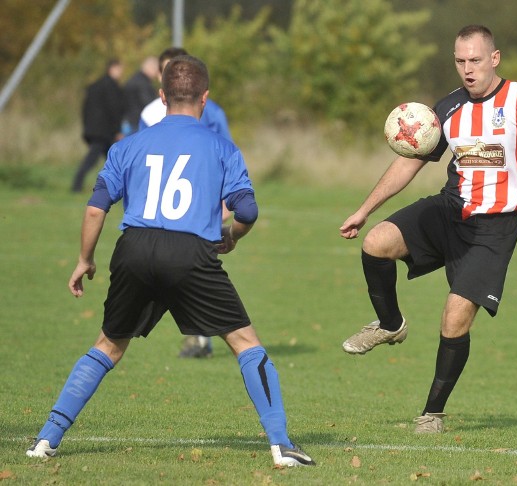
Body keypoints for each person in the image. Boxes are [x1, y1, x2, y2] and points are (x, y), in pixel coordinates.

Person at [26, 55, 315, 467]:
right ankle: (282, 445)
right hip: (190, 254)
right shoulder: (221, 147)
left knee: (108, 345)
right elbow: (247, 210)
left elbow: (95, 210)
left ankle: (45, 439)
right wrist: (231, 236)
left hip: (134, 248)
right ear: (205, 98)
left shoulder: (127, 146)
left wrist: (84, 259)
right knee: (245, 344)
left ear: (162, 97)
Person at [339, 24, 517, 434]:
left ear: (495, 58)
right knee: (377, 242)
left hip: (495, 228)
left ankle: (432, 414)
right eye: (460, 61)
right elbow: (410, 161)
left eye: (475, 60)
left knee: (454, 318)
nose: (467, 69)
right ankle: (390, 324)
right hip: (451, 208)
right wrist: (364, 209)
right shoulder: (448, 107)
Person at [139, 46, 234, 359]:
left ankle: (200, 337)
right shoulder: (149, 114)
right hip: (159, 209)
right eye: (169, 71)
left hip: (199, 201)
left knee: (192, 267)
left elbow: (226, 154)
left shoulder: (212, 112)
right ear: (160, 79)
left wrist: (223, 200)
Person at [71, 59, 126, 193]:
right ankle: (77, 185)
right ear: (112, 68)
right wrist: (117, 130)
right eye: (119, 69)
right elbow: (114, 110)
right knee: (100, 159)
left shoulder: (94, 86)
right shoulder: (111, 87)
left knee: (111, 159)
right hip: (104, 131)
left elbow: (85, 109)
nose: (121, 72)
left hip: (94, 129)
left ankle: (121, 187)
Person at [122, 56, 159, 135]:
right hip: (138, 121)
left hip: (128, 119)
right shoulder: (143, 83)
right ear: (151, 68)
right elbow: (148, 102)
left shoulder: (133, 79)